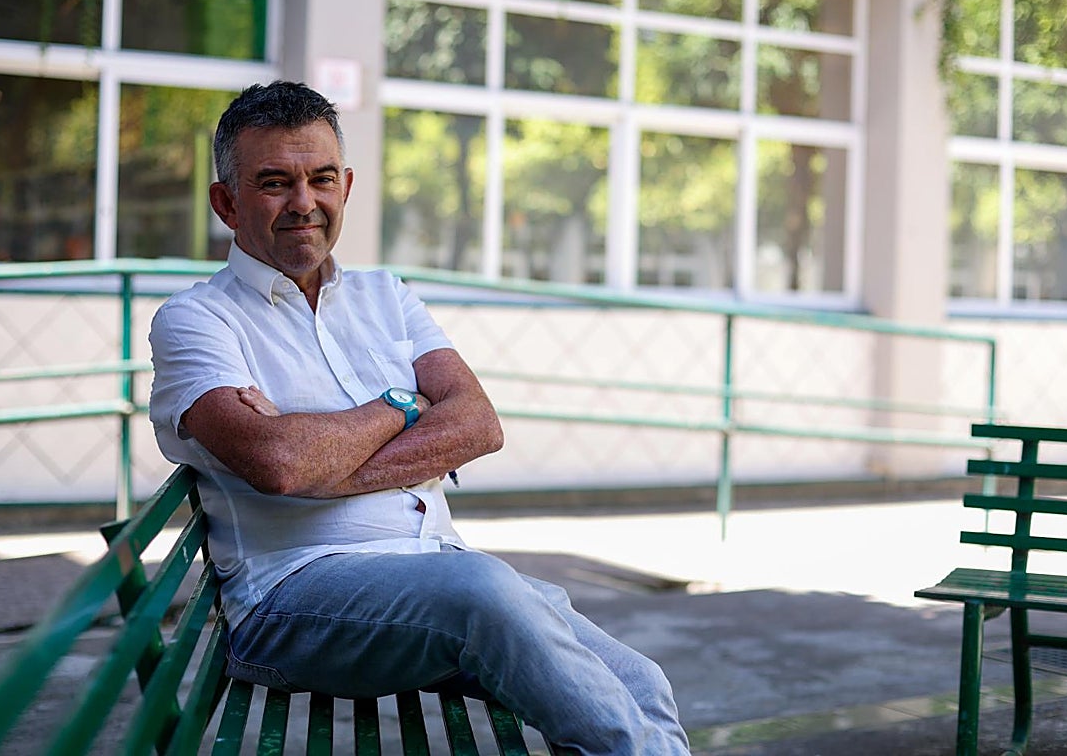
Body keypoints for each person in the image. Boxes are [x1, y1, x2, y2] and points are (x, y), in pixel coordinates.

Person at [148, 80, 690, 755]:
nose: (304, 203)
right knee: (483, 589)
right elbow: (279, 463)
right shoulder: (195, 322)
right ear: (226, 202)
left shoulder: (386, 295)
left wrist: (323, 456)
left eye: (321, 179)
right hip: (293, 601)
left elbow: (478, 425)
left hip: (436, 575)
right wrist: (404, 405)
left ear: (346, 185)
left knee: (641, 683)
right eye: (274, 183)